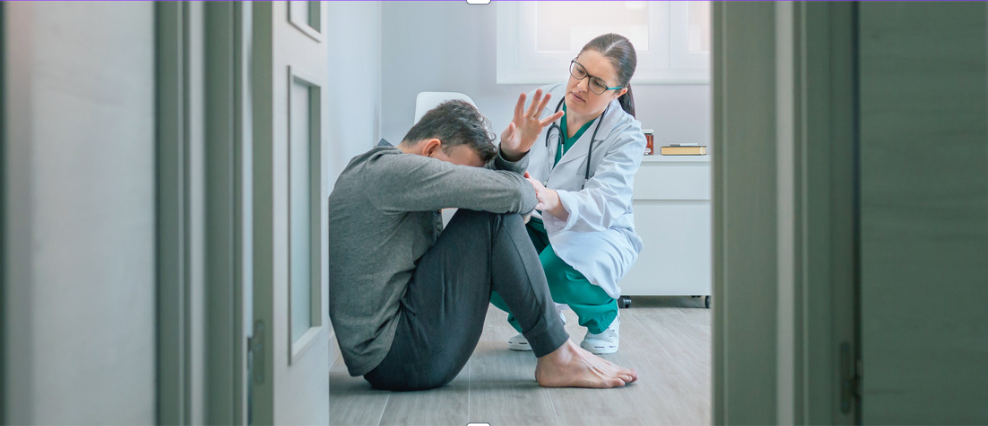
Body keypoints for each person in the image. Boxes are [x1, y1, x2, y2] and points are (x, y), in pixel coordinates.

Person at [328, 90, 639, 391]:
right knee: (493, 212)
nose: (465, 185)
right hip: (400, 358)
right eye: (462, 175)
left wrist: (511, 154)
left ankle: (555, 348)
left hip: (401, 351)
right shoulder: (392, 171)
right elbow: (515, 192)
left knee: (493, 206)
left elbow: (500, 188)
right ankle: (557, 353)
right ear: (431, 149)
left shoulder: (380, 169)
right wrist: (516, 186)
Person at [490, 33, 646, 355]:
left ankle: (603, 320)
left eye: (598, 83)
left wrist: (550, 197)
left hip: (596, 231)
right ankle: (542, 322)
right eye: (579, 71)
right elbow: (506, 164)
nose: (581, 86)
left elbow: (605, 203)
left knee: (552, 273)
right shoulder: (543, 103)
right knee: (487, 261)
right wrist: (510, 149)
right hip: (534, 220)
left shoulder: (626, 134)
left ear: (619, 92)